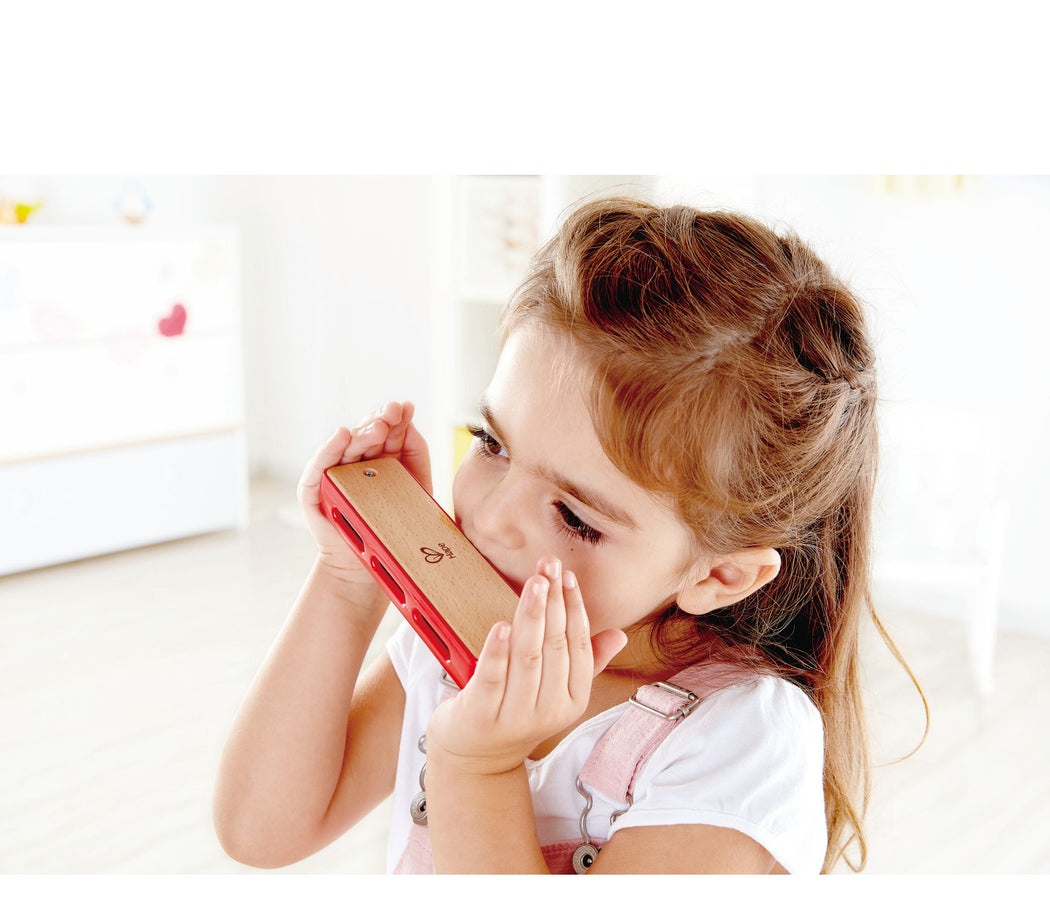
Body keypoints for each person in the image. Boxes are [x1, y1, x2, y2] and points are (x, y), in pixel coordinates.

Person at [214, 196, 911, 874]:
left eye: (576, 516)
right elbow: (260, 830)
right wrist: (347, 582)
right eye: (491, 442)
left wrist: (478, 767)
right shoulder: (470, 632)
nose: (492, 518)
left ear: (718, 575)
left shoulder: (740, 742)